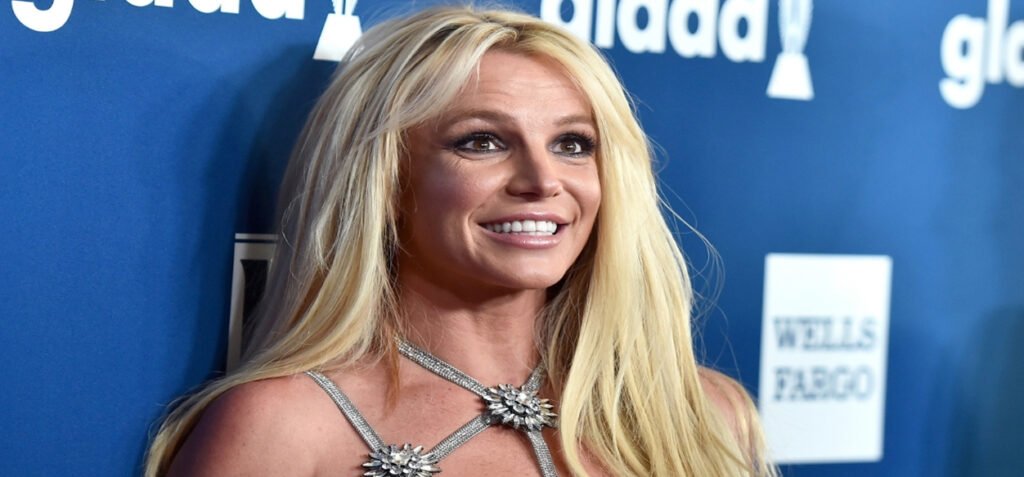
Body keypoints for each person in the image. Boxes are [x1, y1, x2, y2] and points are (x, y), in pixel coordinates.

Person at [145, 5, 777, 476]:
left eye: (573, 144)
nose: (543, 181)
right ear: (387, 181)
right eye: (483, 141)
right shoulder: (281, 428)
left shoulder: (703, 413)